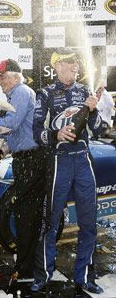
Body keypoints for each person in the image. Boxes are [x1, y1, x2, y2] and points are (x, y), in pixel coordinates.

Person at [31, 48, 103, 296]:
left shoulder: (85, 91)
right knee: (50, 223)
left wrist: (93, 111)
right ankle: (43, 276)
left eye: (76, 62)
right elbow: (36, 132)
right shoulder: (46, 94)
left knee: (88, 223)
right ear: (58, 66)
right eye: (69, 63)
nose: (74, 66)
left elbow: (99, 128)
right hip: (59, 161)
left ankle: (85, 276)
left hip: (83, 161)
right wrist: (55, 135)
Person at [0, 59, 48, 278]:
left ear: (14, 76)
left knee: (28, 215)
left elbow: (10, 124)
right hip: (26, 159)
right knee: (26, 214)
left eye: (2, 77)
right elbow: (17, 132)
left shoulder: (22, 92)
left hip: (33, 159)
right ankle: (26, 265)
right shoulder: (15, 95)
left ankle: (27, 269)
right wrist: (3, 150)